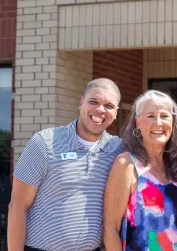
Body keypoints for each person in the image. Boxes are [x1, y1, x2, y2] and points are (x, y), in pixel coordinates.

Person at [8, 78, 125, 251]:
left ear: (115, 113)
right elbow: (17, 206)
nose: (100, 110)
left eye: (108, 106)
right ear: (81, 102)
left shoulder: (118, 150)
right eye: (94, 102)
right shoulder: (44, 143)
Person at [103, 90, 177, 251]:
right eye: (150, 116)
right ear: (137, 122)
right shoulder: (126, 165)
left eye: (164, 116)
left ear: (173, 122)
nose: (158, 122)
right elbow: (110, 229)